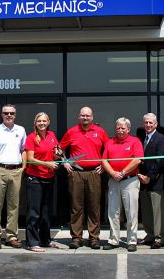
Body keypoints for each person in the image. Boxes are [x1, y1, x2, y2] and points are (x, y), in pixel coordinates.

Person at [60, 106, 109, 249]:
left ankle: (94, 238)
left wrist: (104, 164)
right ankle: (76, 238)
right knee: (76, 207)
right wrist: (64, 161)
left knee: (94, 207)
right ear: (79, 117)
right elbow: (59, 148)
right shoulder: (71, 132)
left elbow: (108, 149)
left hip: (95, 173)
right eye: (82, 116)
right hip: (76, 173)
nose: (85, 118)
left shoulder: (100, 131)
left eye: (87, 116)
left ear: (92, 117)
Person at [0, 104, 26, 249]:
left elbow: (23, 150)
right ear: (1, 115)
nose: (9, 115)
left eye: (12, 113)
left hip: (15, 170)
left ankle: (11, 236)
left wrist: (23, 167)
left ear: (15, 115)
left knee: (14, 205)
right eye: (6, 113)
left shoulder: (20, 130)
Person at [102, 118, 143, 252]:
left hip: (129, 180)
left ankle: (132, 240)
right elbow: (104, 160)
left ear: (128, 129)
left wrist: (123, 172)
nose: (120, 130)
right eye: (118, 128)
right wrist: (113, 173)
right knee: (113, 212)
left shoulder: (135, 141)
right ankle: (113, 240)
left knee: (131, 212)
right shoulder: (110, 142)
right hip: (114, 181)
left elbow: (137, 160)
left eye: (123, 128)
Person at [24, 112, 60, 252]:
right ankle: (32, 242)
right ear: (35, 123)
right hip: (35, 179)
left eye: (44, 121)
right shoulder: (31, 137)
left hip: (49, 178)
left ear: (48, 121)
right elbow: (31, 159)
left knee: (46, 213)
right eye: (39, 121)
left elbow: (55, 152)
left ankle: (45, 240)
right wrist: (48, 164)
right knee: (34, 212)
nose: (42, 123)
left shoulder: (52, 136)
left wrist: (59, 155)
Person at [137, 113, 164, 249]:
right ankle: (149, 235)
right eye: (146, 123)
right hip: (142, 181)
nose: (148, 125)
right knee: (146, 211)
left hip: (155, 181)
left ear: (156, 124)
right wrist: (139, 175)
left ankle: (159, 238)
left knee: (157, 211)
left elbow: (159, 160)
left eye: (151, 123)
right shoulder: (141, 138)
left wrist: (149, 176)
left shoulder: (161, 139)